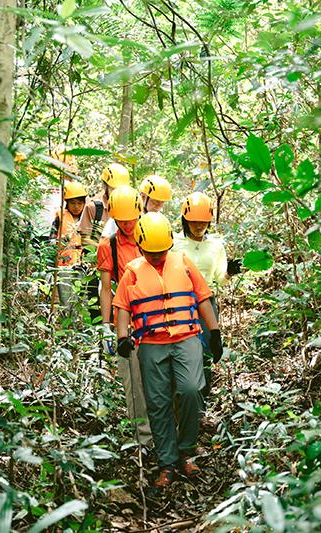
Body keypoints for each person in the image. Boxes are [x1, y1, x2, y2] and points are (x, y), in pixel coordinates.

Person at [113, 212, 224, 489]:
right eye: (151, 252)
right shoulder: (132, 272)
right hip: (151, 345)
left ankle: (186, 451)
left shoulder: (184, 263)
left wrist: (215, 333)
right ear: (140, 247)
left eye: (161, 251)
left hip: (186, 338)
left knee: (190, 390)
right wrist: (123, 337)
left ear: (170, 245)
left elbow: (203, 298)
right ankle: (167, 462)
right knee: (158, 403)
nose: (157, 256)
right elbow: (122, 307)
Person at [96, 185, 153, 449]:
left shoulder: (153, 235)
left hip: (156, 319)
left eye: (131, 218)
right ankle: (144, 440)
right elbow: (106, 288)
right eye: (121, 220)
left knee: (163, 379)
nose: (127, 224)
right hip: (126, 322)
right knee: (134, 383)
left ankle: (167, 431)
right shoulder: (109, 246)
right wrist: (106, 327)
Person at [172, 191, 241, 400]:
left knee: (207, 351)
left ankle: (201, 401)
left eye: (203, 221)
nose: (199, 225)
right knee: (181, 350)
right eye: (194, 221)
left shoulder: (216, 246)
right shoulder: (174, 242)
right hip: (179, 301)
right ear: (185, 220)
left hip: (206, 303)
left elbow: (219, 278)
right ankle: (179, 397)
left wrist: (229, 272)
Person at [78, 163, 131, 321]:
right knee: (99, 312)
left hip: (122, 267)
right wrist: (107, 249)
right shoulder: (94, 207)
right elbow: (85, 238)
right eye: (113, 188)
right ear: (105, 186)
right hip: (98, 266)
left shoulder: (129, 206)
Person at [51, 180, 88, 308]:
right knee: (66, 300)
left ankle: (81, 326)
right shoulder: (60, 216)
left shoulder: (88, 217)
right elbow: (52, 239)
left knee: (82, 300)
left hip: (83, 264)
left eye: (79, 203)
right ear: (67, 203)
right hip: (64, 265)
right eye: (73, 203)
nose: (76, 206)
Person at [101, 173, 172, 238]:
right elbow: (106, 238)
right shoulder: (124, 213)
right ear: (143, 197)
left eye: (162, 203)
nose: (159, 206)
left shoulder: (160, 221)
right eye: (155, 202)